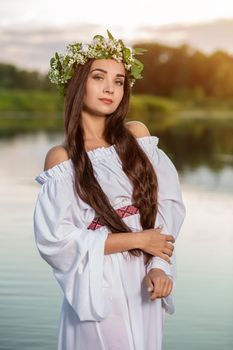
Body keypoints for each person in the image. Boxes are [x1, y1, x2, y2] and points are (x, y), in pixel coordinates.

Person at [33, 30, 186, 350]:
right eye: (99, 77)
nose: (110, 88)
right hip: (97, 280)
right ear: (77, 85)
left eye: (119, 81)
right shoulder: (62, 159)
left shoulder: (137, 137)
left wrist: (159, 265)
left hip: (144, 274)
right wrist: (137, 239)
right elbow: (57, 240)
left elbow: (166, 206)